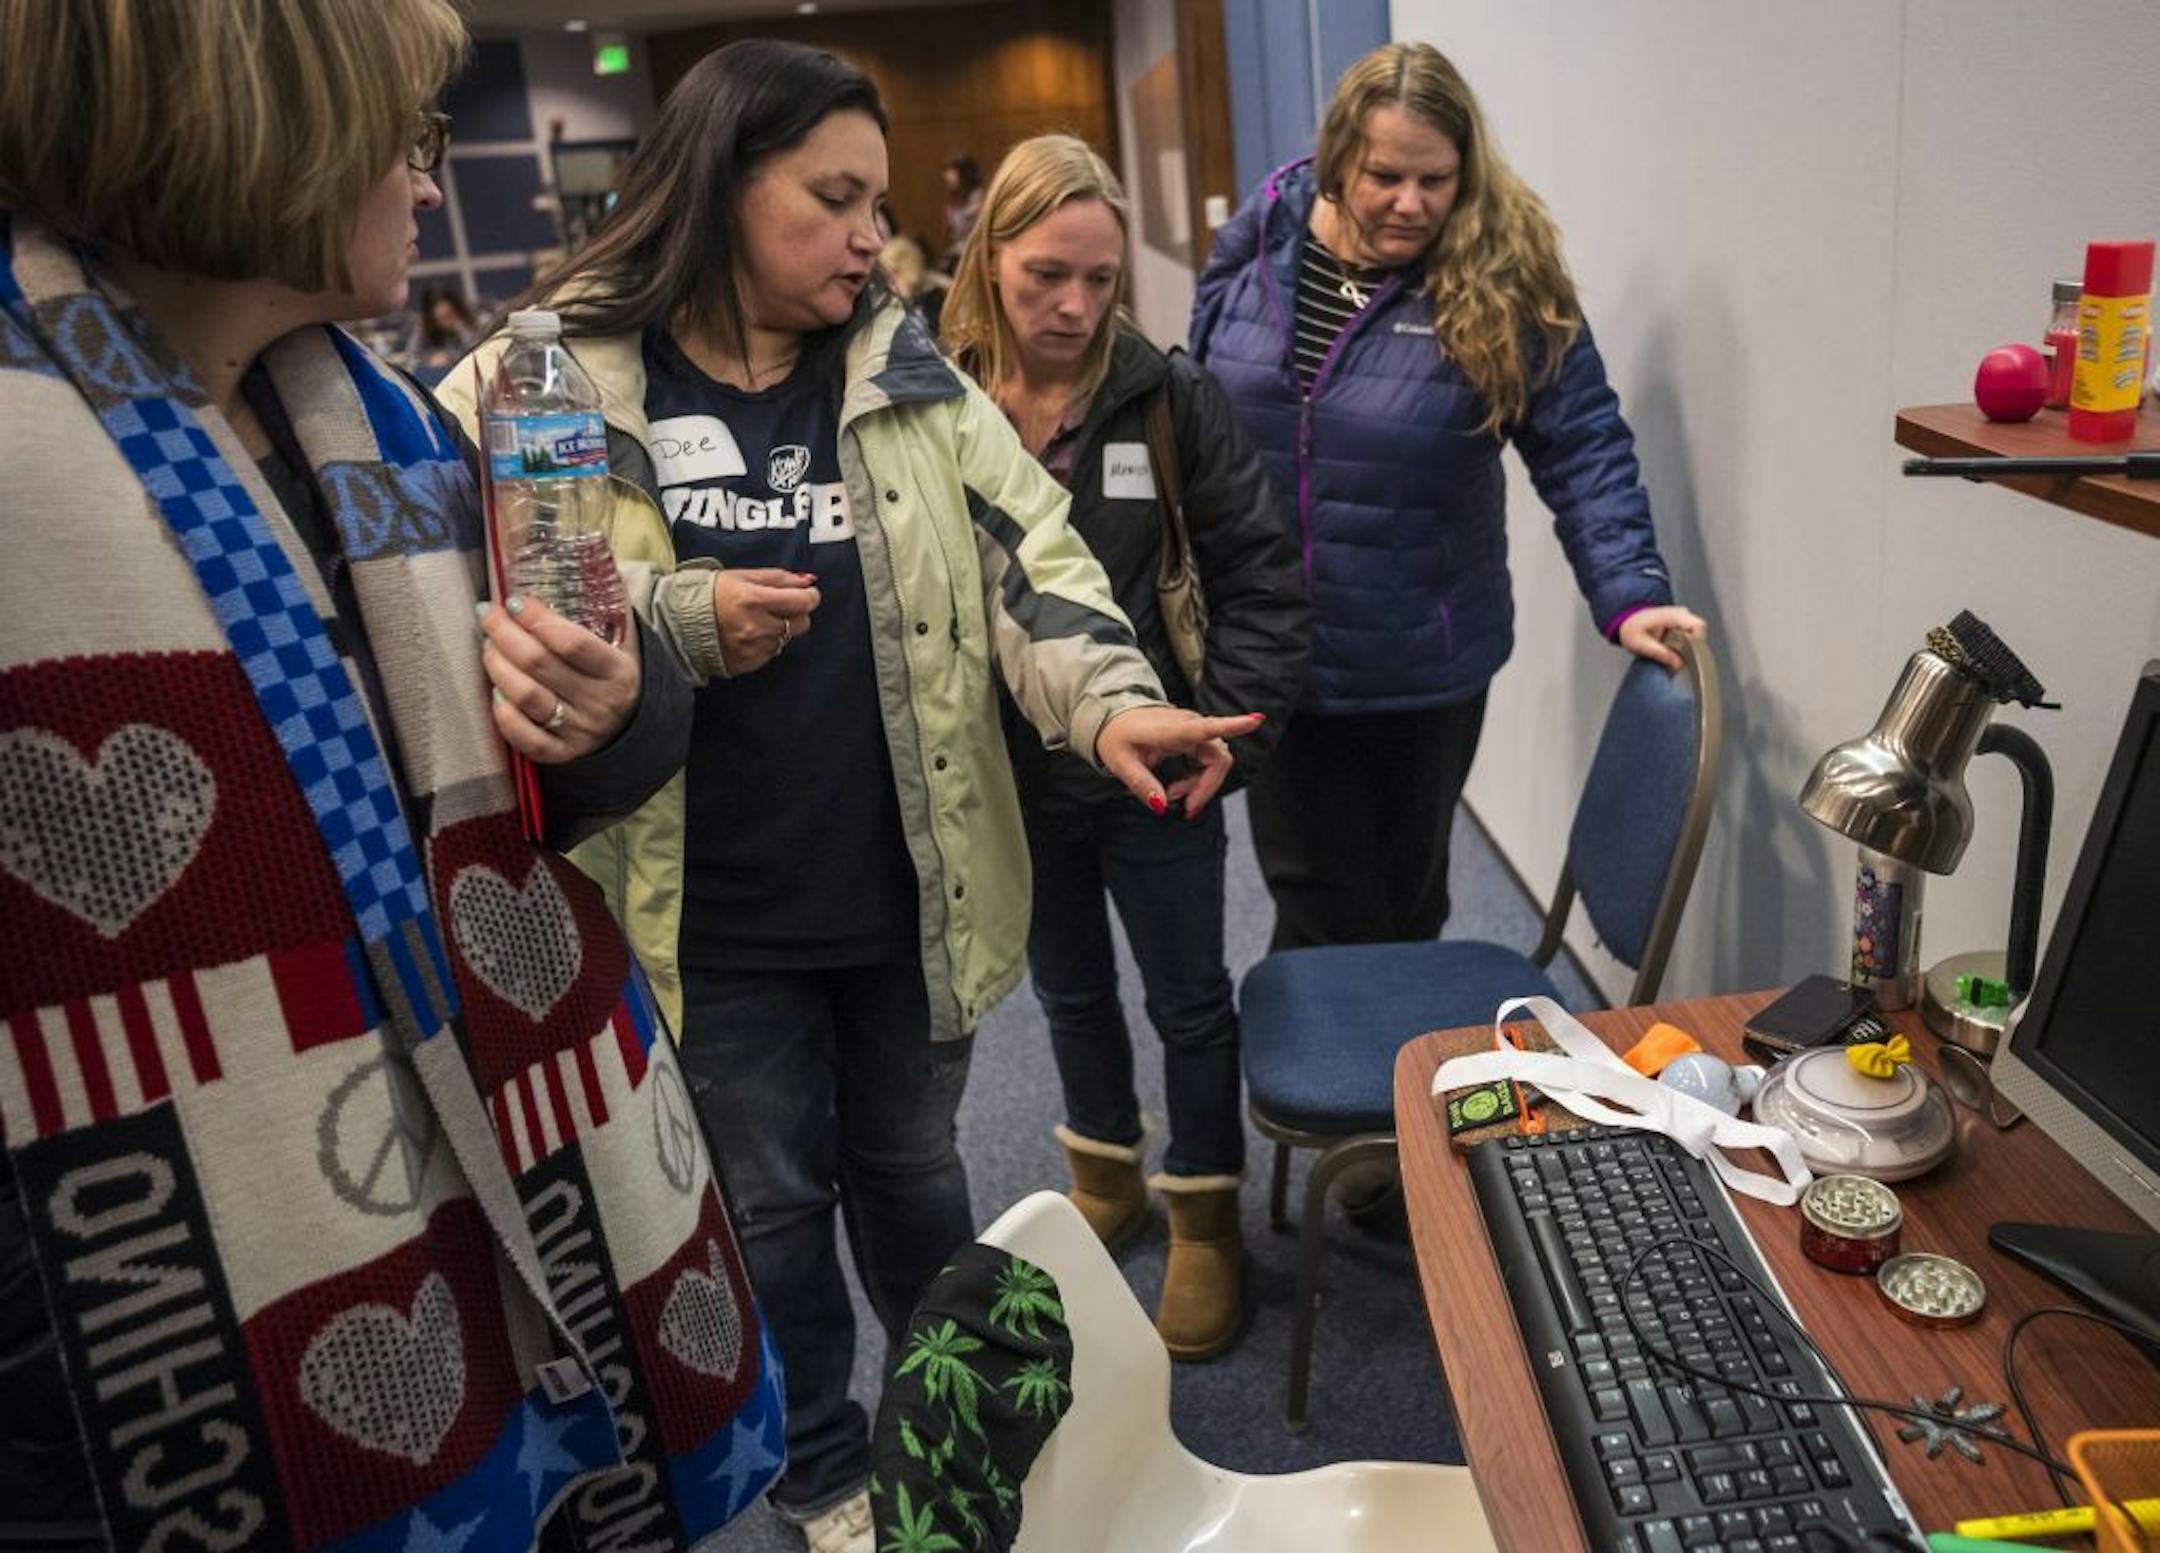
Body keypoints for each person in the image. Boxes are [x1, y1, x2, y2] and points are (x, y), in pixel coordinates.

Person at [439, 42, 1258, 1553]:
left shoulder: (901, 371)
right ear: (722, 185)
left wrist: (1120, 704)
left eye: (877, 203)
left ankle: (971, 1446)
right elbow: (449, 590)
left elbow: (1038, 563)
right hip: (709, 923)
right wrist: (676, 614)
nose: (871, 239)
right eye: (834, 199)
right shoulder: (537, 378)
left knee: (916, 1178)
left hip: (907, 889)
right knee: (766, 1216)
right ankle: (824, 1479)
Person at [0, 2, 788, 1550]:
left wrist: (614, 706)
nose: (432, 186)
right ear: (269, 121)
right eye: (413, 137)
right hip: (131, 1345)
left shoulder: (375, 424)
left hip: (496, 1213)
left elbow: (547, 796)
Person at [1191, 40, 1705, 955]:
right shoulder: (1257, 246)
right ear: (1338, 155)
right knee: (1315, 901)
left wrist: (1627, 588)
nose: (1411, 203)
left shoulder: (1502, 279)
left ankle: (1396, 1087)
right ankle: (1353, 1092)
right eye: (1386, 175)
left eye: (1437, 179)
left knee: (1406, 897)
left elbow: (1583, 441)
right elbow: (1197, 413)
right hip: (1270, 655)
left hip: (1418, 663)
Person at [942, 135, 1305, 1359]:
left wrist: (1231, 746)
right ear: (990, 257)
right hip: (1011, 772)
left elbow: (1260, 576)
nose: (1075, 306)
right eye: (1047, 273)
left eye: (1099, 279)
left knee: (1191, 997)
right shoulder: (933, 398)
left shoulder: (1164, 393)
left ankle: (1206, 1215)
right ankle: (1107, 1170)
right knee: (1068, 987)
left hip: (1161, 771)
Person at [409, 283, 479, 382]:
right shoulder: (424, 329)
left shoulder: (472, 324)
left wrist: (460, 329)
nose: (446, 322)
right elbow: (411, 359)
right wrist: (428, 359)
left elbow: (476, 353)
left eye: (449, 315)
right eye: (440, 319)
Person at [939, 153, 985, 268]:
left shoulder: (979, 197)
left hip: (975, 253)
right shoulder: (952, 200)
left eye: (952, 171)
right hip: (958, 252)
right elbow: (950, 233)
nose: (947, 176)